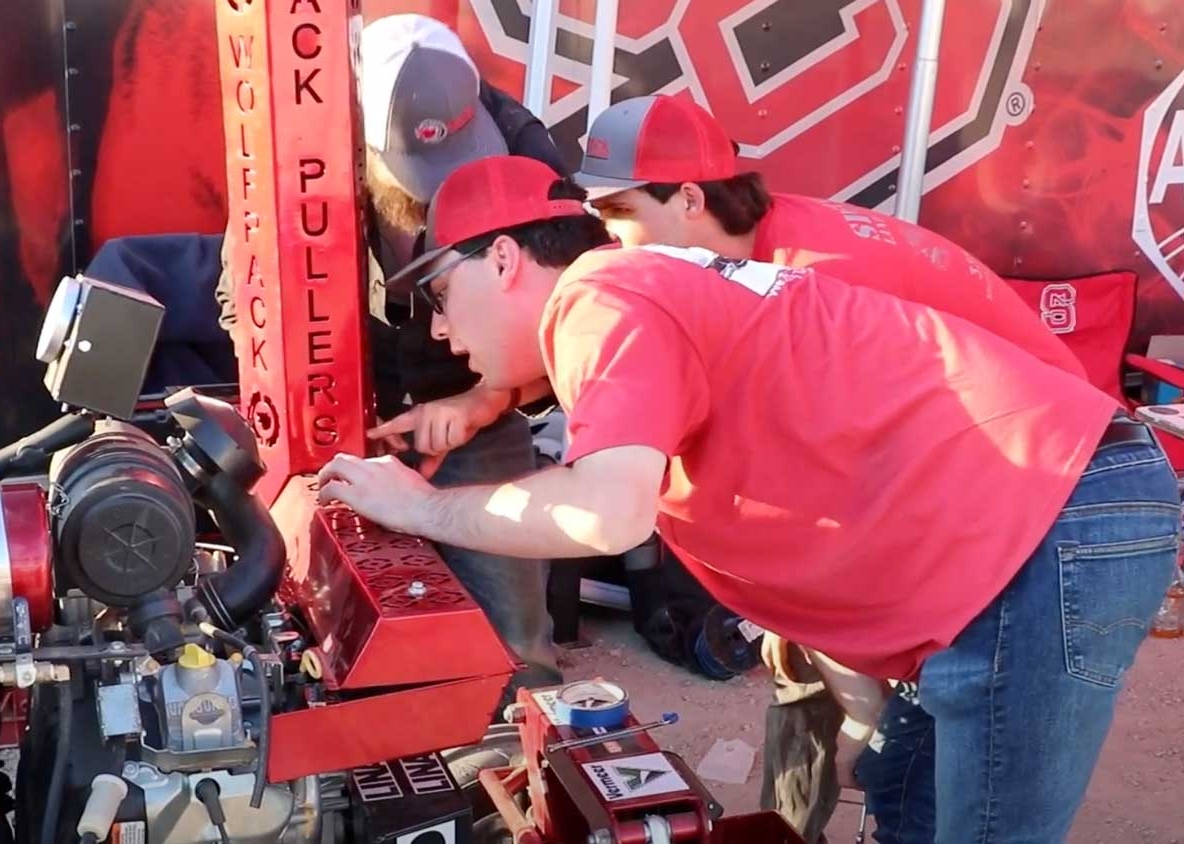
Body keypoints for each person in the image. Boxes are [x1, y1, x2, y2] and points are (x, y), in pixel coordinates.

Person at [316, 155, 1180, 844]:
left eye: (435, 295)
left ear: (503, 259)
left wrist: (423, 512)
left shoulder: (595, 298)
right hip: (1026, 526)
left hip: (1049, 516)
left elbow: (606, 513)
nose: (434, 329)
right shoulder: (647, 291)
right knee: (908, 804)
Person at [567, 92, 1096, 843]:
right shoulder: (762, 245)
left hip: (1038, 473)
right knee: (829, 678)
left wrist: (860, 698)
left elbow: (829, 521)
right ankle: (808, 813)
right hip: (995, 453)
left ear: (687, 197)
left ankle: (813, 809)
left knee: (933, 750)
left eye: (618, 215)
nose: (613, 244)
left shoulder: (806, 273)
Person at [214, 13, 566, 696]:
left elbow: (563, 333)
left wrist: (482, 400)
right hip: (337, 428)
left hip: (479, 422)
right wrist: (313, 407)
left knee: (518, 647)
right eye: (413, 168)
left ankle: (527, 776)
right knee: (339, 641)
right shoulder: (301, 148)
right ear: (358, 133)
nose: (437, 186)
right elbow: (242, 302)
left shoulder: (531, 161)